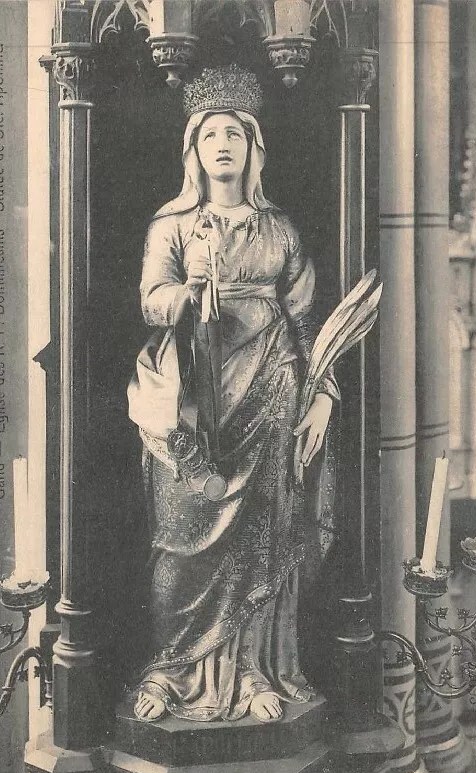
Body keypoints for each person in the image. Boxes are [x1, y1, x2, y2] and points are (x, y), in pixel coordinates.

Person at [127, 65, 339, 724]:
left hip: (271, 392)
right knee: (180, 538)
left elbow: (308, 324)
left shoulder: (279, 230)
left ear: (253, 147)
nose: (223, 144)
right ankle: (170, 670)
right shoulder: (172, 225)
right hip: (189, 393)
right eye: (211, 134)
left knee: (261, 540)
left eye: (235, 134)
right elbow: (151, 300)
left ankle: (251, 672)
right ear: (193, 148)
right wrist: (188, 292)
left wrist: (324, 395)